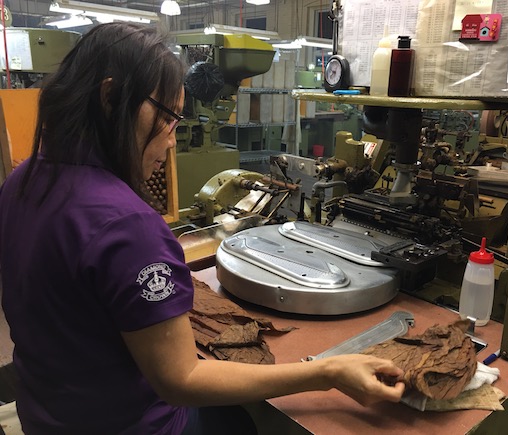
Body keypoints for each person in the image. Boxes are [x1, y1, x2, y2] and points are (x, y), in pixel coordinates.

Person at [0, 22, 405, 434]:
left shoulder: (22, 181)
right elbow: (183, 380)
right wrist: (328, 372)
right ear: (109, 98)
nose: (173, 141)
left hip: (49, 416)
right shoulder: (127, 226)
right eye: (169, 120)